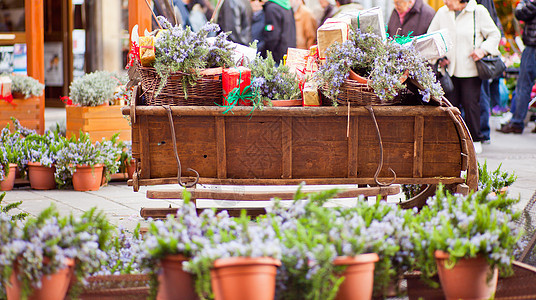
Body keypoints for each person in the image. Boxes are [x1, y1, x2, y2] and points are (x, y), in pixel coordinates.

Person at [427, 0, 501, 154]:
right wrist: (440, 57)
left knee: (471, 104)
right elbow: (431, 37)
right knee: (450, 106)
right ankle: (452, 140)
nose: (445, 2)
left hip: (470, 70)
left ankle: (475, 139)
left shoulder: (478, 11)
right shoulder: (442, 13)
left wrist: (483, 50)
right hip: (449, 70)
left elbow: (494, 34)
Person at [497, 0, 536, 134]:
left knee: (524, 85)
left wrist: (522, 4)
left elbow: (521, 13)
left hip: (533, 46)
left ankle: (517, 123)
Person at [477, 0, 505, 143]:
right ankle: (482, 132)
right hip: (480, 52)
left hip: (480, 53)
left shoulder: (481, 6)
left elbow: (488, 23)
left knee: (481, 92)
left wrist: (483, 48)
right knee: (483, 91)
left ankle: (482, 132)